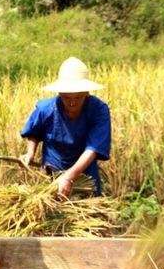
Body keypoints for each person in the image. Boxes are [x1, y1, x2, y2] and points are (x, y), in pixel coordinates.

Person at [20, 57, 111, 198]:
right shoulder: (46, 109)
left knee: (87, 213)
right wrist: (30, 152)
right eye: (67, 98)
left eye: (78, 98)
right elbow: (34, 132)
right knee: (53, 211)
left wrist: (69, 176)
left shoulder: (98, 110)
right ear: (60, 93)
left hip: (84, 173)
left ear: (86, 94)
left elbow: (94, 148)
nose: (72, 103)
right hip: (53, 170)